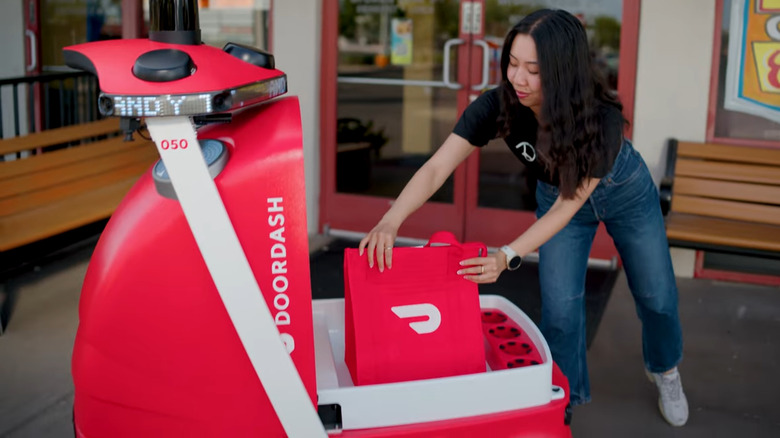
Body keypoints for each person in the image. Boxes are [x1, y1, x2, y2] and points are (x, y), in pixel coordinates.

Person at [358, 9, 688, 427]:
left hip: (623, 190)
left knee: (656, 297)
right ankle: (562, 396)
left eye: (533, 70)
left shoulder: (601, 119)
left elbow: (572, 205)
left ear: (562, 71)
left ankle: (665, 368)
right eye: (512, 63)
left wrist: (506, 255)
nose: (518, 79)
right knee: (561, 310)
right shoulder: (500, 106)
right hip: (557, 193)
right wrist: (392, 219)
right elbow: (437, 168)